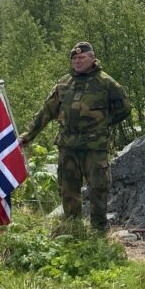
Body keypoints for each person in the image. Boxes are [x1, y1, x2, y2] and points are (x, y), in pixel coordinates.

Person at [19, 42, 131, 231]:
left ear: (92, 58)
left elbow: (124, 109)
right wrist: (27, 136)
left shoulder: (106, 83)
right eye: (74, 59)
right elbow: (45, 112)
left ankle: (99, 230)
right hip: (68, 146)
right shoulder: (64, 83)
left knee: (98, 188)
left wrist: (103, 123)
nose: (77, 62)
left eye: (82, 58)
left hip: (94, 147)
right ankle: (73, 228)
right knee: (68, 189)